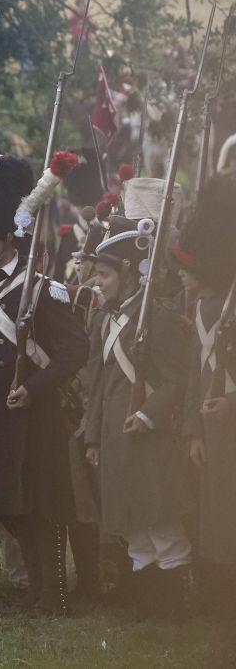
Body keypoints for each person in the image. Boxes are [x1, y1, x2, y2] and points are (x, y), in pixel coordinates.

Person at [0, 152, 88, 615]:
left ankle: (56, 594)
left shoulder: (41, 287)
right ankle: (37, 589)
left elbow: (76, 349)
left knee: (43, 509)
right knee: (10, 508)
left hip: (36, 418)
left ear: (8, 236)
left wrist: (36, 387)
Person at [84, 214, 193, 612]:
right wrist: (93, 437)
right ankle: (147, 601)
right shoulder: (102, 321)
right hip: (115, 438)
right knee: (132, 525)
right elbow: (97, 385)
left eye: (104, 275)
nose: (97, 282)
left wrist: (147, 416)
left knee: (160, 521)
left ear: (128, 273)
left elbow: (177, 380)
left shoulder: (158, 317)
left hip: (150, 435)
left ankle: (176, 602)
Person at [173, 176, 236, 612]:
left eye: (186, 268)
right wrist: (194, 430)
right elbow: (196, 376)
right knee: (216, 515)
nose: (180, 273)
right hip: (213, 432)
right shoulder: (201, 308)